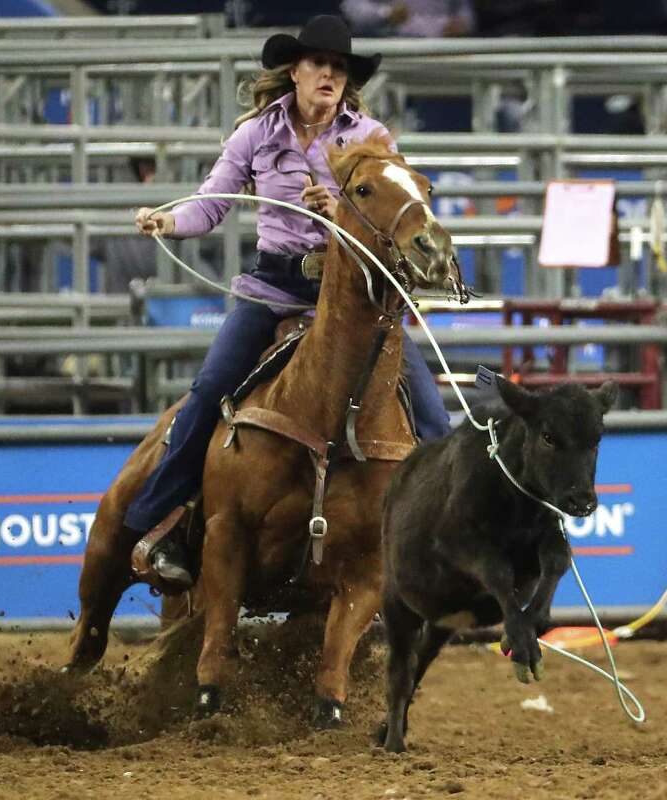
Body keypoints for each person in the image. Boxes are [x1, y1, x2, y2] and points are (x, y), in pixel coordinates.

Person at [126, 15, 451, 589]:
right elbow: (210, 204)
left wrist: (339, 213)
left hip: (350, 298)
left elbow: (392, 221)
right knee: (209, 392)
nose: (328, 74)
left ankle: (438, 541)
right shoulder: (255, 134)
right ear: (295, 71)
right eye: (318, 64)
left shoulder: (371, 141)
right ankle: (161, 523)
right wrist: (166, 220)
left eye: (339, 67)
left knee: (430, 415)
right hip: (274, 292)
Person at [341, 0, 475, 37]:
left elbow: (465, 11)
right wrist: (386, 13)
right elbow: (352, 7)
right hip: (394, 47)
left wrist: (464, 23)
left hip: (442, 47)